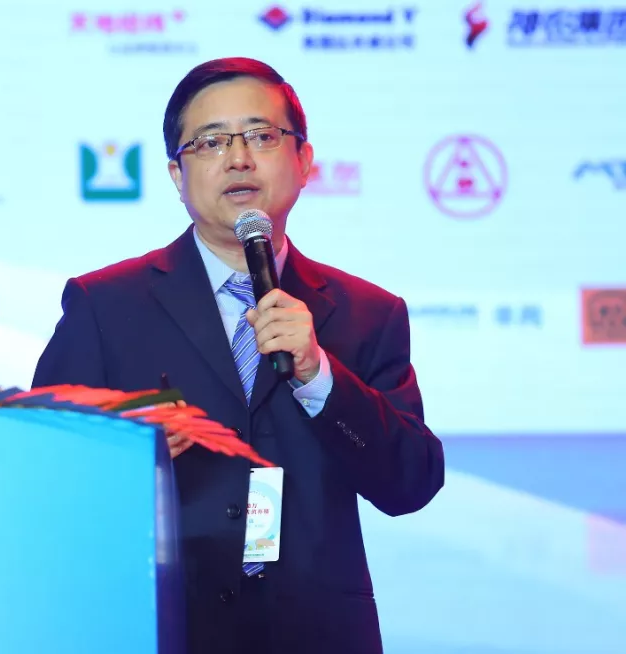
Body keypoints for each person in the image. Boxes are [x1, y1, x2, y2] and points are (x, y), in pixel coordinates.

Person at [32, 57, 445, 654]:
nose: (239, 158)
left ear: (304, 161)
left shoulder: (367, 313)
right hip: (158, 625)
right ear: (177, 175)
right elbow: (43, 480)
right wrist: (125, 458)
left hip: (316, 636)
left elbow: (411, 484)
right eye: (210, 142)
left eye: (261, 136)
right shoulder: (105, 305)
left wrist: (320, 377)